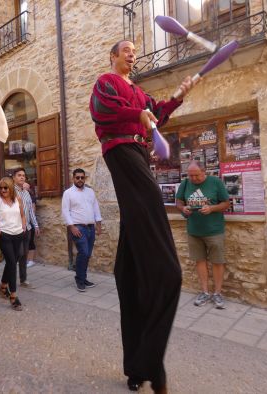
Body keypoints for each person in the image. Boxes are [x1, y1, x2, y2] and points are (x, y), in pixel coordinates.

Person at [89, 40, 195, 393]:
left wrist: (177, 95)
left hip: (138, 150)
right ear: (113, 57)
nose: (132, 54)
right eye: (127, 50)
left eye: (135, 50)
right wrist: (137, 116)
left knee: (130, 272)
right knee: (169, 272)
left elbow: (156, 114)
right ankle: (154, 367)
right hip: (122, 152)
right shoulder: (107, 82)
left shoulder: (139, 91)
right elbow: (103, 111)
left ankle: (137, 367)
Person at [176, 161, 230, 309]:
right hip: (194, 230)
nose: (193, 179)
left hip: (214, 230)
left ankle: (217, 293)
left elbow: (226, 203)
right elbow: (179, 202)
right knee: (200, 261)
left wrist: (212, 208)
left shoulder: (215, 182)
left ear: (204, 171)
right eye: (191, 175)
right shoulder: (185, 183)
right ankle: (205, 292)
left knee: (217, 261)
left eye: (196, 175)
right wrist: (183, 209)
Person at [61, 169, 102, 292]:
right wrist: (71, 226)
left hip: (90, 227)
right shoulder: (68, 193)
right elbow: (65, 211)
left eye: (82, 178)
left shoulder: (90, 192)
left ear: (85, 179)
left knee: (87, 254)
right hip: (78, 227)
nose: (80, 180)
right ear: (73, 178)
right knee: (83, 252)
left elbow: (96, 208)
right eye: (77, 177)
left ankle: (83, 278)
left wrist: (98, 224)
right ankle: (79, 279)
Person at [0, 177, 26, 311]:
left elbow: (22, 215)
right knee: (11, 262)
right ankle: (13, 296)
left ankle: (3, 287)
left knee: (12, 261)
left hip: (18, 234)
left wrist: (23, 226)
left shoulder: (18, 200)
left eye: (5, 188)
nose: (3, 190)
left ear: (11, 188)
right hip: (4, 235)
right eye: (0, 188)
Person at [12, 168, 39, 288]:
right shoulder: (10, 192)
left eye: (23, 175)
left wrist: (36, 225)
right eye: (19, 175)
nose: (22, 177)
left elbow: (31, 212)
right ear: (14, 177)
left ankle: (23, 279)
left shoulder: (27, 193)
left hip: (27, 228)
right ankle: (8, 279)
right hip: (15, 228)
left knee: (24, 255)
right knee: (17, 254)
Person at [23, 182, 38, 268]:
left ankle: (31, 260)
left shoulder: (31, 198)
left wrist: (33, 223)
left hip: (30, 222)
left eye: (25, 187)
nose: (23, 188)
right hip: (23, 223)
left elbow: (33, 210)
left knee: (30, 242)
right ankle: (25, 260)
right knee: (24, 243)